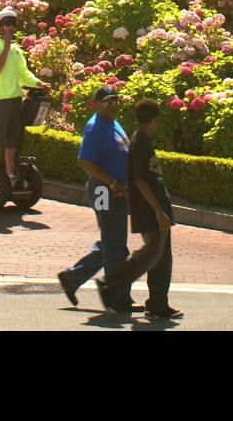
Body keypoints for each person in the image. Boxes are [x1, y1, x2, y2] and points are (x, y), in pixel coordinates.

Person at [96, 99, 182, 320]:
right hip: (149, 210)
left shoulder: (141, 140)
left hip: (155, 208)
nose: (158, 125)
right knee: (151, 254)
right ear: (153, 120)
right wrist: (157, 210)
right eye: (157, 121)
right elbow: (140, 180)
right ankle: (111, 282)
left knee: (161, 257)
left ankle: (157, 303)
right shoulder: (140, 142)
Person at [57, 87, 132, 311]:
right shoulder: (95, 128)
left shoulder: (113, 124)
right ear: (97, 104)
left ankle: (73, 278)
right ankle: (116, 295)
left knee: (113, 241)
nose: (113, 105)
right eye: (108, 102)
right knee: (113, 241)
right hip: (102, 190)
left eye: (116, 101)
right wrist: (112, 182)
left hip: (117, 191)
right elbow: (86, 162)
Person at [0, 8, 46, 184]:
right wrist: (6, 47)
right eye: (7, 24)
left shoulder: (17, 51)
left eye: (13, 24)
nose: (11, 28)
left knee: (13, 139)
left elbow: (24, 74)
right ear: (0, 27)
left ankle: (10, 176)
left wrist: (39, 83)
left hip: (15, 99)